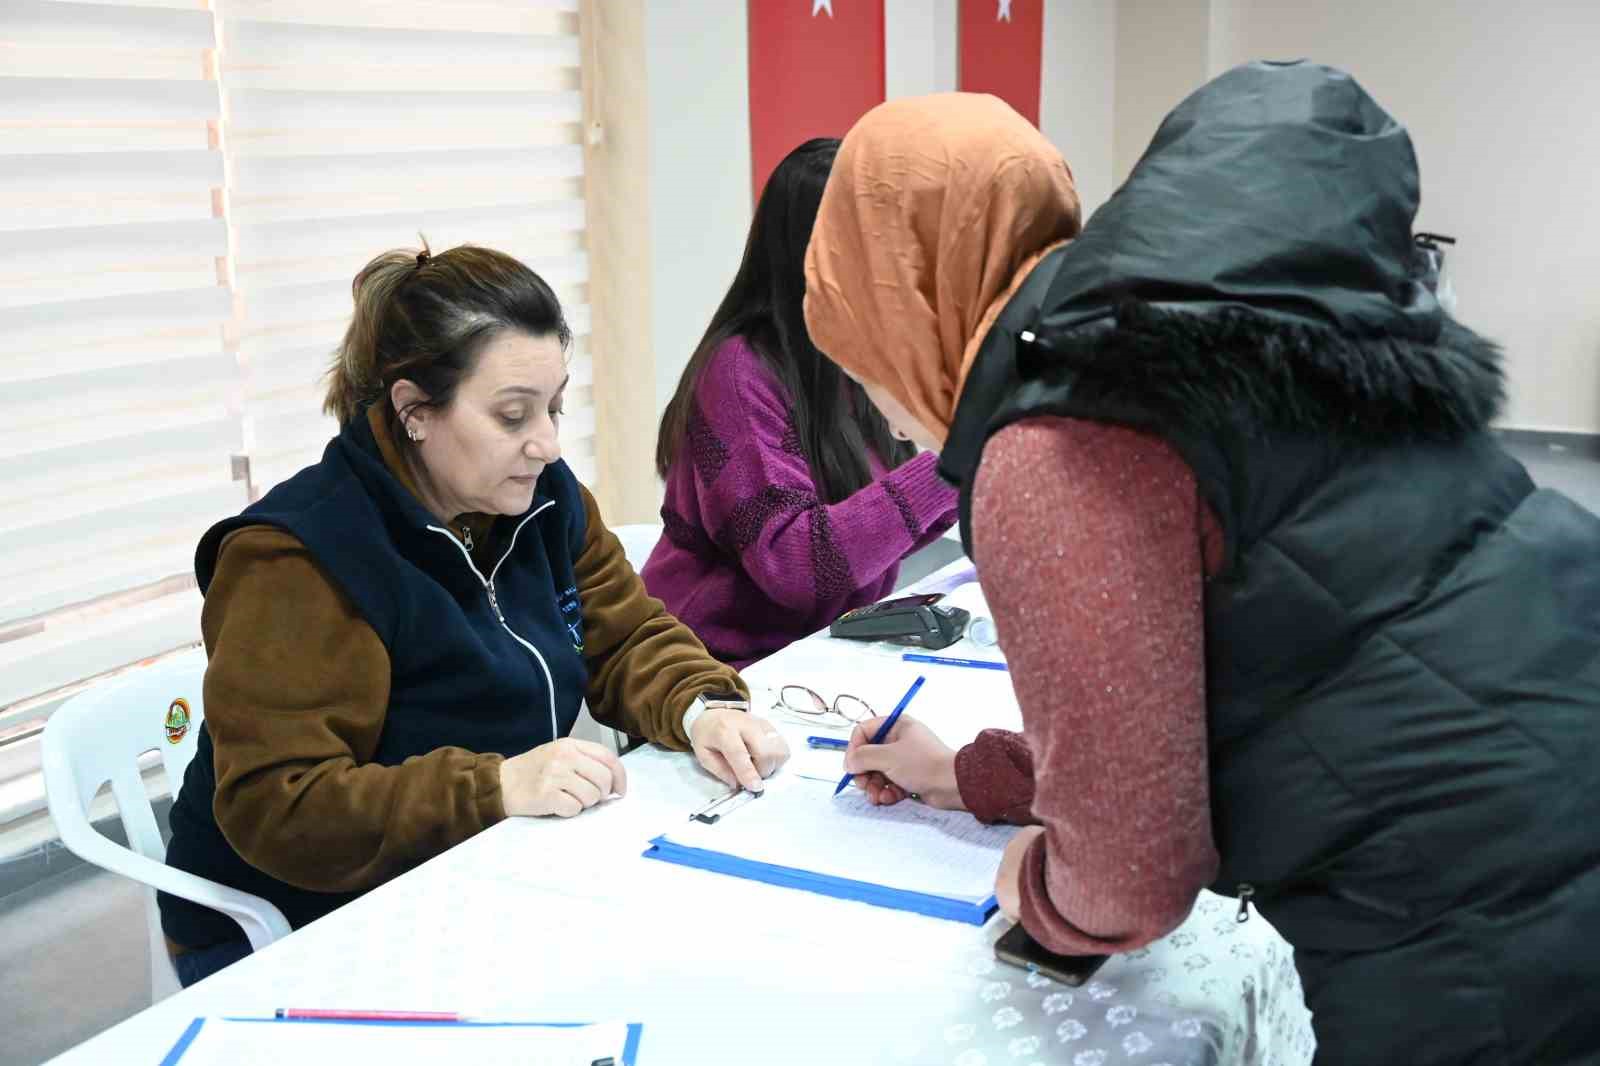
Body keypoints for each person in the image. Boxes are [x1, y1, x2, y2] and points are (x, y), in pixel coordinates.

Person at [805, 68, 1600, 1064]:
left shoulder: (1051, 437)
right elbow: (1225, 688)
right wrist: (972, 775)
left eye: (860, 357)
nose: (882, 412)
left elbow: (1130, 879)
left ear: (910, 299)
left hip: (1475, 909)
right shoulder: (1196, 332)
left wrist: (1040, 887)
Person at [160, 243, 789, 986]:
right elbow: (282, 806)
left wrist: (700, 709)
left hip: (476, 861)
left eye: (554, 408)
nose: (546, 443)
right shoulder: (300, 559)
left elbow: (624, 637)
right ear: (414, 411)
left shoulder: (541, 497)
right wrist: (494, 789)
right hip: (301, 922)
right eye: (512, 415)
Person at [642, 138, 957, 668]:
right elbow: (797, 567)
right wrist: (954, 463)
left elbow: (887, 526)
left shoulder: (849, 355)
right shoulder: (739, 373)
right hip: (714, 669)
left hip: (818, 651)